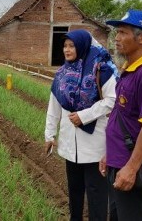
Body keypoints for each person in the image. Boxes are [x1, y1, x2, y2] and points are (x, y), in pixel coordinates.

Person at [44, 29, 118, 220]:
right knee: (74, 192)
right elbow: (54, 106)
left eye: (72, 46)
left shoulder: (101, 70)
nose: (67, 50)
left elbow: (112, 100)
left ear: (83, 46)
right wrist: (49, 135)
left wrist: (84, 116)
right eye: (65, 46)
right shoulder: (62, 73)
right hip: (70, 144)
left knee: (97, 195)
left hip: (95, 145)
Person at [101, 9, 142, 220]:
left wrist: (131, 168)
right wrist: (109, 154)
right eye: (117, 32)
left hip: (129, 168)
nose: (117, 38)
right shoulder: (129, 70)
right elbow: (122, 116)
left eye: (123, 32)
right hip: (117, 162)